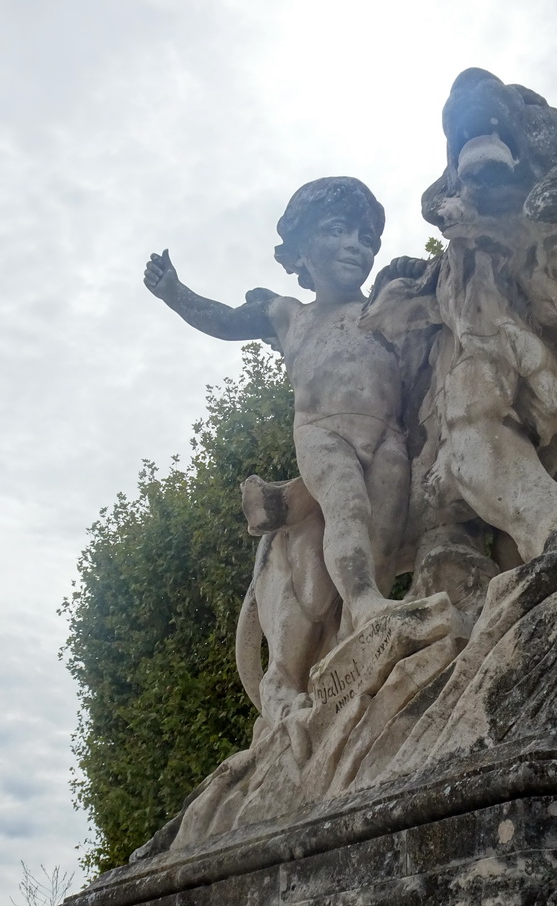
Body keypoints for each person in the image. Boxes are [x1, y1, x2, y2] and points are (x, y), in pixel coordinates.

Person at [144, 177, 409, 631]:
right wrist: (175, 293)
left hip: (388, 435)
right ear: (301, 251)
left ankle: (358, 626)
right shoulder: (289, 315)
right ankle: (363, 602)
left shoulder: (388, 306)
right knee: (348, 505)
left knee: (385, 531)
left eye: (366, 239)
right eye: (337, 231)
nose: (355, 247)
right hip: (324, 432)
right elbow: (224, 320)